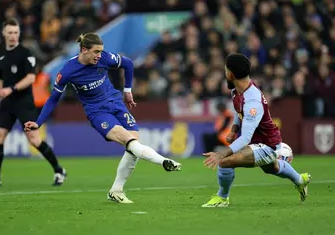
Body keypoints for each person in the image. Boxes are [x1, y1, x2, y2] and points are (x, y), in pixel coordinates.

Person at [24, 32, 182, 204]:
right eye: (96, 52)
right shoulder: (68, 71)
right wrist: (38, 122)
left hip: (116, 103)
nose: (100, 56)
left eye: (101, 51)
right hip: (97, 112)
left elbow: (128, 64)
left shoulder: (104, 58)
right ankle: (164, 161)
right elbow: (53, 98)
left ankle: (116, 191)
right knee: (130, 141)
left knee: (133, 148)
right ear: (84, 50)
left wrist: (127, 91)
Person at [201, 53, 311, 208]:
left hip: (266, 144)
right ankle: (301, 180)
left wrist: (221, 153)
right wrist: (233, 129)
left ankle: (222, 198)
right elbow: (238, 112)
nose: (225, 73)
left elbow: (245, 138)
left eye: (226, 70)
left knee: (225, 162)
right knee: (273, 168)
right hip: (259, 142)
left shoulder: (252, 100)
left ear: (231, 74)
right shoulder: (237, 90)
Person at [0, 18, 66, 188]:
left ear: (19, 34)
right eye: (10, 32)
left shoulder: (26, 53)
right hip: (6, 103)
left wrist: (11, 89)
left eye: (16, 32)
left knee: (34, 139)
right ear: (4, 34)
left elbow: (30, 78)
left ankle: (59, 170)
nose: (13, 36)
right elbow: (1, 79)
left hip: (23, 102)